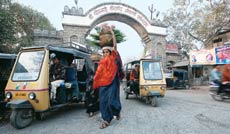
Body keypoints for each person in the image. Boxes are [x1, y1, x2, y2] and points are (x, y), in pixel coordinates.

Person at [93, 26, 122, 129]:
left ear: (110, 52)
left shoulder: (113, 57)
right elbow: (98, 73)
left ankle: (116, 111)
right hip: (103, 84)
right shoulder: (101, 62)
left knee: (112, 101)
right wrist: (95, 81)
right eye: (104, 52)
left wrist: (112, 32)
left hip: (112, 82)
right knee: (103, 102)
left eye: (107, 52)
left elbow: (114, 45)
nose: (105, 53)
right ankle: (106, 120)